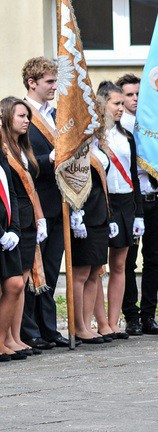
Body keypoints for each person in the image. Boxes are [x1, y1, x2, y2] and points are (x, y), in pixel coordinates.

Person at [21, 57, 69, 350]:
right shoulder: (19, 113)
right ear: (32, 83)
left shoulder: (57, 114)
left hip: (59, 201)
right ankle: (29, 330)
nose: (55, 87)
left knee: (50, 270)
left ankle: (48, 328)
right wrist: (47, 160)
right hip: (34, 202)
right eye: (50, 82)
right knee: (31, 272)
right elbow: (16, 159)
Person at [116, 73, 158, 337]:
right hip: (134, 201)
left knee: (154, 259)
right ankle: (131, 316)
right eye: (129, 95)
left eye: (139, 94)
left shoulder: (152, 124)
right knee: (128, 261)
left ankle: (149, 315)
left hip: (156, 198)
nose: (135, 99)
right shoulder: (120, 129)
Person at [92, 81, 143, 340]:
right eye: (116, 103)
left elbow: (133, 175)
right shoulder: (95, 137)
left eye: (123, 103)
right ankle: (100, 323)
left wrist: (139, 213)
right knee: (98, 266)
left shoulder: (126, 136)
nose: (121, 108)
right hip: (104, 201)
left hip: (125, 203)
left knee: (120, 264)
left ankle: (114, 322)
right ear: (103, 104)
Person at [0, 100, 39, 360]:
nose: (26, 121)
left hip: (12, 228)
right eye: (21, 116)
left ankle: (6, 339)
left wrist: (12, 228)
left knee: (15, 284)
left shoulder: (3, 154)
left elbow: (11, 192)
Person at [69, 127, 116, 344]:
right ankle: (78, 326)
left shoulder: (98, 145)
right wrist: (75, 211)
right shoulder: (75, 144)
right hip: (84, 214)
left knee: (94, 272)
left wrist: (110, 215)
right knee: (81, 273)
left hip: (100, 213)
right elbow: (71, 181)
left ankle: (87, 325)